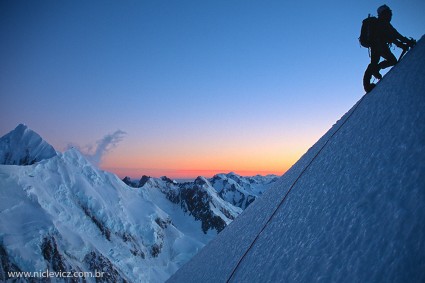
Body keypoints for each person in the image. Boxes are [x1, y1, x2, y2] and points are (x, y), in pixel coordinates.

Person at [363, 5, 415, 92]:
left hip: (376, 46)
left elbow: (394, 36)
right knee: (389, 61)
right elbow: (394, 36)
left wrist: (403, 43)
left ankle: (367, 85)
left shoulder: (381, 23)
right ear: (384, 14)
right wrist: (405, 43)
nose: (390, 15)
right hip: (380, 46)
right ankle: (372, 77)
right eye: (388, 13)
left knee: (374, 63)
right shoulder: (383, 24)